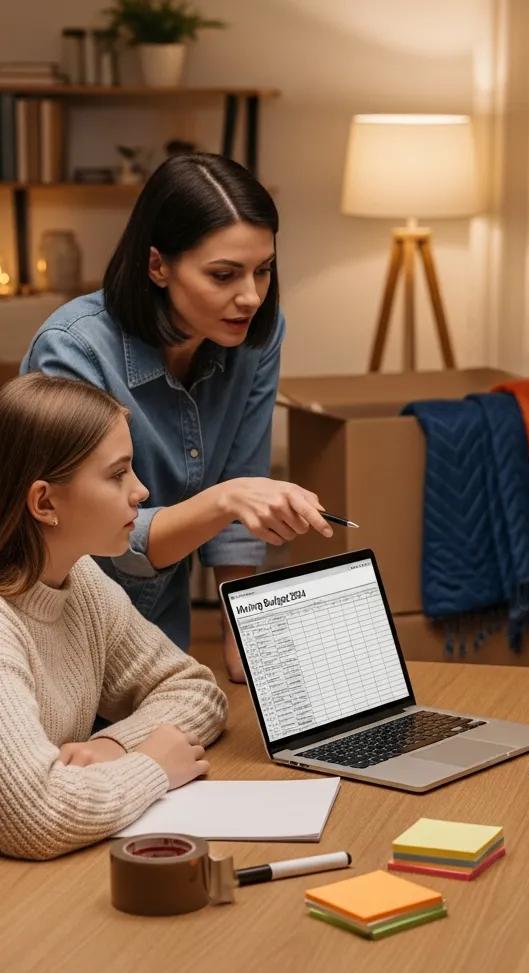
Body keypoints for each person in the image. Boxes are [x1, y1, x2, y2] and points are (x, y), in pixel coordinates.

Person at [21, 152, 333, 681]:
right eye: (223, 274)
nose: (250, 297)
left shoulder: (256, 336)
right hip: (59, 643)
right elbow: (108, 539)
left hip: (159, 645)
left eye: (264, 270)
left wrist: (244, 639)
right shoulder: (73, 351)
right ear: (157, 265)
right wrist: (227, 498)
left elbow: (242, 483)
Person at [0, 374, 228, 860]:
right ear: (44, 502)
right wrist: (152, 765)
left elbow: (196, 689)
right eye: (117, 474)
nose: (141, 491)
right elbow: (36, 817)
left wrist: (116, 747)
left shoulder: (77, 579)